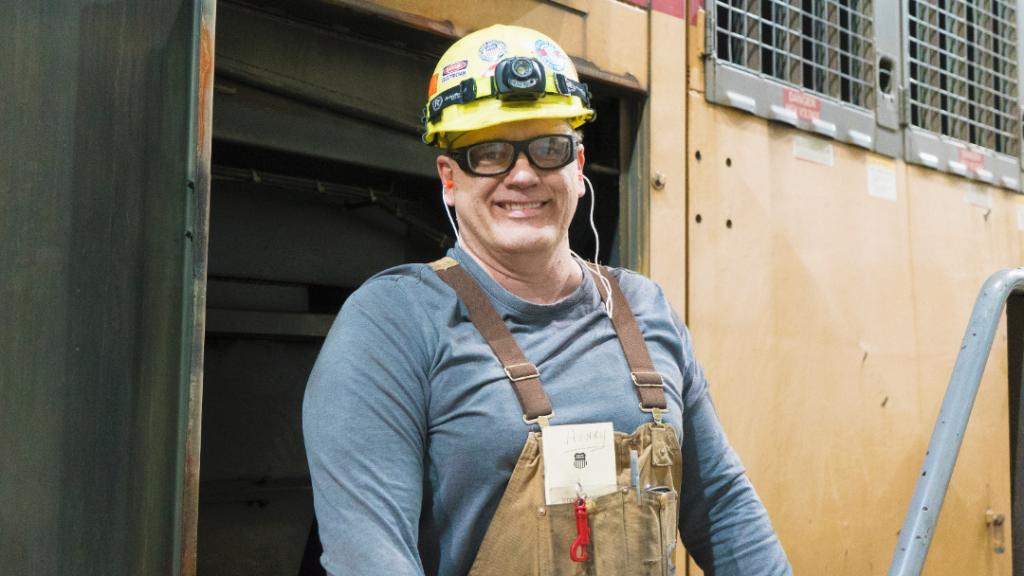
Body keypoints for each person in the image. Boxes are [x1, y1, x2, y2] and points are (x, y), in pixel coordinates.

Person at [303, 24, 791, 576]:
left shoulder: (644, 308)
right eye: (488, 153)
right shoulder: (392, 323)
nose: (523, 174)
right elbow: (368, 557)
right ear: (448, 178)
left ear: (578, 169)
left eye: (549, 149)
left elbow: (723, 507)